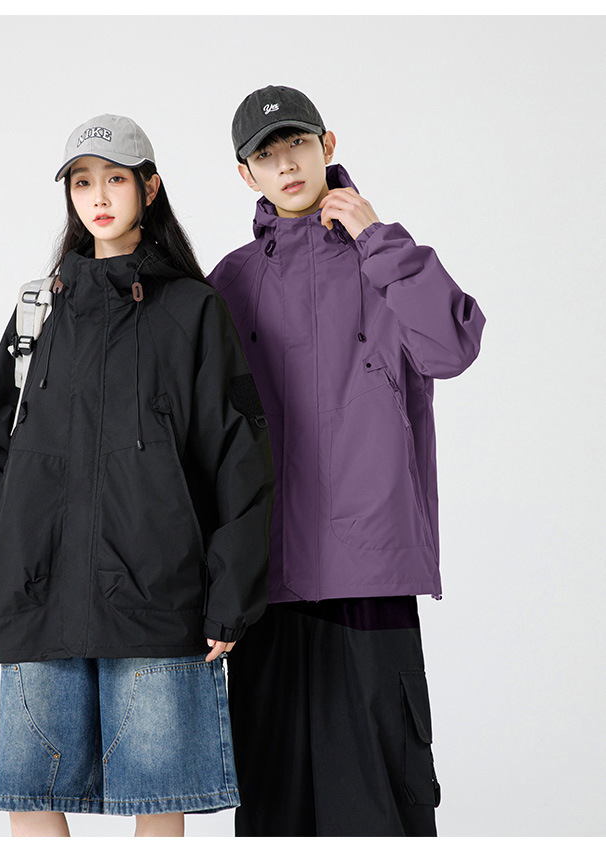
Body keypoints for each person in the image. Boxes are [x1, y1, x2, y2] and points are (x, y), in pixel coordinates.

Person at [0, 114, 274, 838]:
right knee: (32, 793)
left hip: (157, 597)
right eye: (82, 183)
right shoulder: (39, 309)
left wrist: (230, 593)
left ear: (149, 188)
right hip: (41, 591)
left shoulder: (193, 310)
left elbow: (238, 457)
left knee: (157, 797)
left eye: (116, 179)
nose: (98, 197)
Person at [206, 85, 486, 837]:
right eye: (266, 155)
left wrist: (379, 239)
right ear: (246, 175)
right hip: (265, 586)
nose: (287, 165)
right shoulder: (230, 282)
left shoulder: (385, 258)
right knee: (275, 810)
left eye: (297, 144)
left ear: (327, 145)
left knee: (381, 809)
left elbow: (451, 349)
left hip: (370, 577)